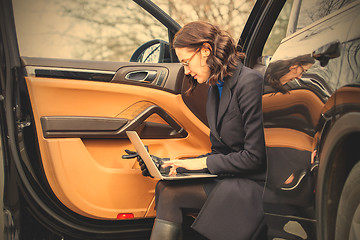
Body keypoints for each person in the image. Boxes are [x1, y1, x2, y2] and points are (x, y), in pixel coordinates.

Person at [133, 21, 267, 240]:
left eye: (186, 62)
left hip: (255, 183)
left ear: (206, 51)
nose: (186, 71)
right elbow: (220, 153)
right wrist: (176, 166)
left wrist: (198, 164)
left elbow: (255, 158)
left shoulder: (250, 83)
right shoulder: (215, 90)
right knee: (166, 186)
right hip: (234, 177)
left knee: (170, 194)